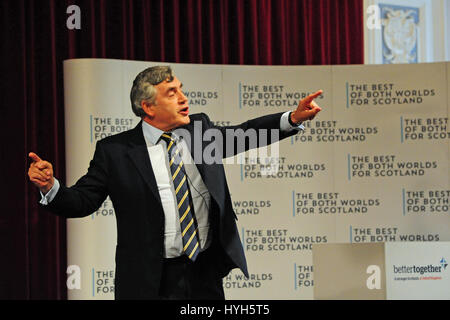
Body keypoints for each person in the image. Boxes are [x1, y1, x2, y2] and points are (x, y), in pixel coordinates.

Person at [28, 66, 322, 300]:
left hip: (203, 271)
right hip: (150, 280)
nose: (184, 98)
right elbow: (83, 201)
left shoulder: (199, 131)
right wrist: (50, 187)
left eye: (181, 90)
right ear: (148, 107)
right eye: (172, 93)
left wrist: (292, 118)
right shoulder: (116, 152)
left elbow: (245, 134)